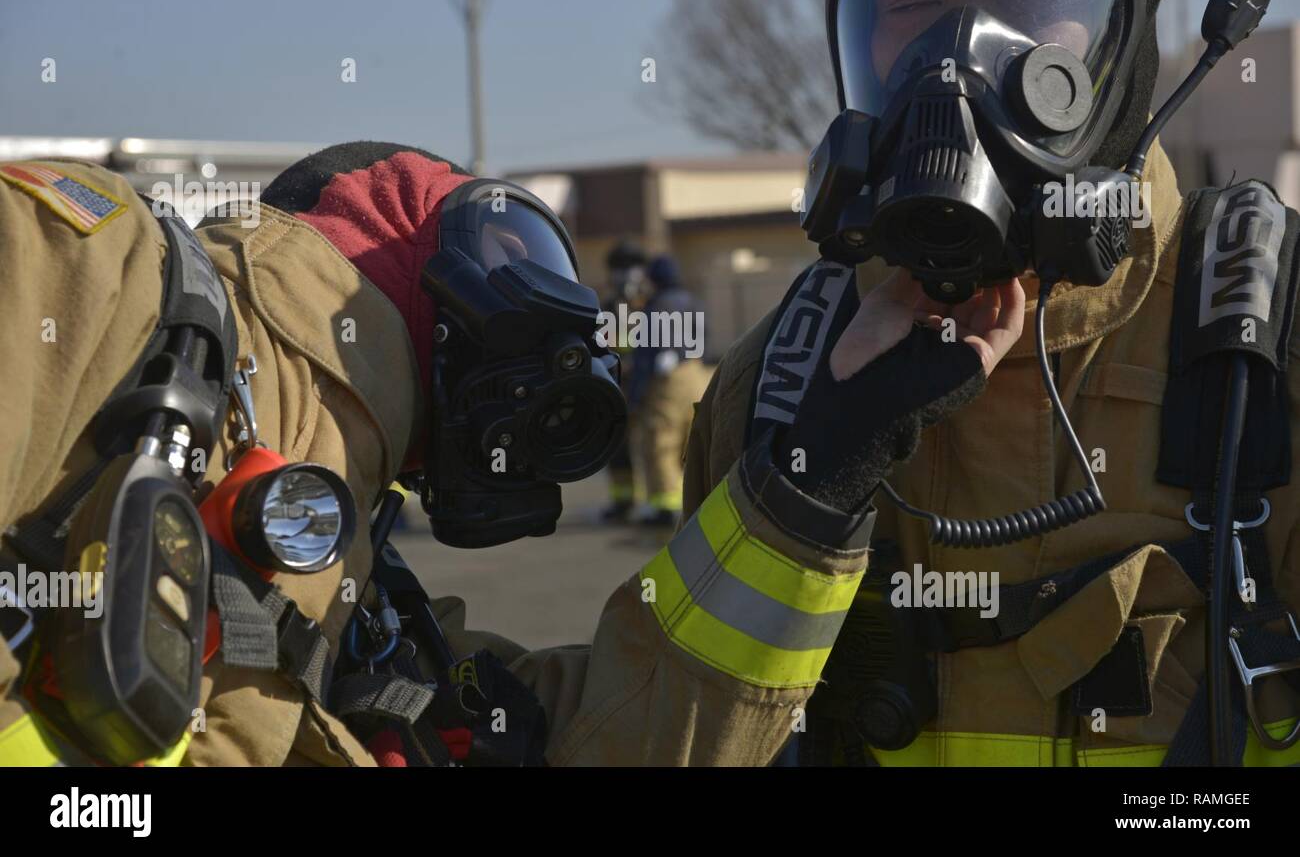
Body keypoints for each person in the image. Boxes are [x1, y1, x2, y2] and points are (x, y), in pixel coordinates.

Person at [0, 142, 1016, 767]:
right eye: (519, 252)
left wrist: (813, 480)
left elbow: (605, 743)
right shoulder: (101, 274)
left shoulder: (371, 624)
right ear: (396, 229)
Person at [682, 0, 1300, 766]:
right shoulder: (779, 385)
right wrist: (805, 490)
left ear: (1122, 53)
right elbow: (675, 723)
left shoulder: (1268, 349)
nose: (960, 47)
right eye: (909, 7)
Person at [625, 256, 712, 529]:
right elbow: (704, 337)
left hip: (667, 384)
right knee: (691, 444)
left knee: (660, 441)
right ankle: (693, 503)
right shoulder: (692, 300)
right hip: (697, 375)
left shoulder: (656, 307)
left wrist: (634, 397)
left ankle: (666, 509)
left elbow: (644, 357)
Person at [599, 240, 649, 522]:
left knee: (656, 444)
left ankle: (666, 501)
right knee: (618, 445)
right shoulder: (606, 305)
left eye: (630, 268)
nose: (625, 274)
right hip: (617, 382)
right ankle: (623, 501)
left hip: (647, 383)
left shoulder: (650, 302)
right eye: (620, 269)